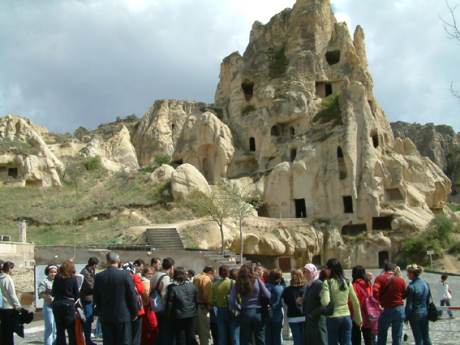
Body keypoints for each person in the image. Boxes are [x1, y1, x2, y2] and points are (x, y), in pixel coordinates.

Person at [93, 252, 139, 345]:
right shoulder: (125, 275)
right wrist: (135, 312)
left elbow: (96, 297)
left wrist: (98, 311)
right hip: (123, 315)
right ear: (118, 261)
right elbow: (131, 295)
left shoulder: (99, 277)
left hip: (106, 315)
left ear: (107, 261)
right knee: (124, 341)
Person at [321, 258, 362, 345]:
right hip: (346, 316)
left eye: (327, 268)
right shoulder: (347, 282)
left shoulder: (327, 282)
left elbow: (325, 302)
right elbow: (356, 302)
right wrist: (358, 319)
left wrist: (321, 295)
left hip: (333, 317)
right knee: (347, 342)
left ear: (331, 269)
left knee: (332, 342)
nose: (326, 270)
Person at [230, 264, 271, 345]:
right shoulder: (257, 280)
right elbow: (268, 295)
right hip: (258, 312)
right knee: (260, 338)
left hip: (245, 311)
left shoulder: (238, 282)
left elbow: (231, 300)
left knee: (246, 339)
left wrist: (238, 308)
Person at [373, 262, 407, 345]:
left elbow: (375, 291)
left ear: (384, 269)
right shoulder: (401, 280)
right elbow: (405, 294)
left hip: (385, 309)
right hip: (399, 309)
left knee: (382, 335)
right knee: (397, 336)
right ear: (394, 269)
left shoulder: (379, 278)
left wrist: (379, 302)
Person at [166, 267, 198, 345]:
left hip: (178, 316)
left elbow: (170, 304)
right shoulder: (192, 286)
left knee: (180, 337)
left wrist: (168, 316)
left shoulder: (172, 288)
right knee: (191, 336)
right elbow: (196, 300)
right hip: (191, 314)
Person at [52, 260, 79, 345]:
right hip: (69, 305)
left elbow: (53, 292)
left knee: (60, 330)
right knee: (71, 331)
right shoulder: (73, 277)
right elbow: (76, 294)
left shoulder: (57, 277)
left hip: (57, 304)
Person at [212, 265, 239, 345]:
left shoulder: (215, 284)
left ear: (219, 273)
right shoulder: (233, 282)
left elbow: (213, 300)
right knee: (234, 336)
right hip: (232, 310)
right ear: (228, 273)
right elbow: (239, 298)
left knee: (222, 336)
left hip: (220, 311)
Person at [405, 264, 432, 345]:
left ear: (412, 274)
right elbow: (428, 299)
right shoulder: (425, 283)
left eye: (408, 273)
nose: (407, 275)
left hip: (415, 315)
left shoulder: (411, 286)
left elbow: (409, 305)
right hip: (425, 312)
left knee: (418, 338)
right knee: (426, 337)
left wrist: (406, 317)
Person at [150, 257, 175, 345]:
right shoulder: (166, 278)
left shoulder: (155, 275)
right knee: (164, 331)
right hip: (162, 309)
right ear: (171, 267)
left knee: (158, 330)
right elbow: (165, 296)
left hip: (154, 306)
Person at [302, 264, 327, 345]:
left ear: (314, 272)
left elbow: (324, 303)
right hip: (309, 320)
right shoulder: (308, 285)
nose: (306, 274)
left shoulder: (319, 284)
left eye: (308, 272)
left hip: (318, 320)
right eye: (305, 272)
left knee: (320, 341)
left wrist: (313, 314)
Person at [122, 262, 145, 345]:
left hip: (126, 310)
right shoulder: (135, 277)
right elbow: (141, 290)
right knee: (136, 334)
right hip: (138, 309)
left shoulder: (121, 278)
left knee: (127, 334)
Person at [351, 266, 375, 345]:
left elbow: (352, 302)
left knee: (355, 338)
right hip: (368, 313)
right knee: (369, 338)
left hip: (356, 315)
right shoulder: (368, 284)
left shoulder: (353, 286)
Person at [0, 261, 22, 345]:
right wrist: (18, 307)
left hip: (1, 307)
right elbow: (12, 294)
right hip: (9, 308)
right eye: (12, 269)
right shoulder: (8, 279)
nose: (13, 271)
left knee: (3, 330)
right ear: (9, 269)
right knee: (9, 332)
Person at [282, 269, 305, 345]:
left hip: (292, 316)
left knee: (296, 338)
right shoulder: (306, 288)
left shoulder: (287, 290)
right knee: (304, 339)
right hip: (304, 316)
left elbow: (286, 302)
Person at [80, 257, 99, 345]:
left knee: (90, 319)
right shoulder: (85, 272)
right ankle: (87, 340)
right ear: (94, 265)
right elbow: (91, 286)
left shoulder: (90, 271)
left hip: (91, 298)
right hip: (87, 299)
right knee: (87, 319)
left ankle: (87, 339)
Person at [193, 266, 214, 345]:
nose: (213, 277)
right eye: (213, 275)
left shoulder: (196, 277)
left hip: (196, 306)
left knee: (199, 330)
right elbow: (206, 295)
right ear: (210, 273)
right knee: (204, 332)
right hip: (203, 307)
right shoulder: (206, 279)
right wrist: (210, 304)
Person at [39, 265, 58, 345]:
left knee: (56, 328)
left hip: (57, 307)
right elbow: (41, 294)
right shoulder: (44, 281)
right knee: (49, 327)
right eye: (51, 272)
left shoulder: (59, 281)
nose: (53, 274)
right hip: (48, 306)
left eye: (55, 272)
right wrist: (48, 297)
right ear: (48, 273)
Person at [265, 269, 285, 345]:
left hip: (268, 313)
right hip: (278, 313)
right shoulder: (281, 287)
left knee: (268, 337)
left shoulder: (267, 286)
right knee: (277, 336)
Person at [140, 268, 158, 345]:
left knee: (145, 329)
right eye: (149, 273)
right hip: (148, 308)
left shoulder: (143, 281)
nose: (151, 275)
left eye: (152, 273)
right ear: (145, 273)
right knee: (152, 326)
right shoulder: (146, 282)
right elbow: (147, 297)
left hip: (144, 308)